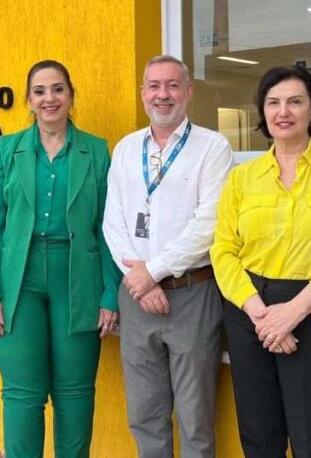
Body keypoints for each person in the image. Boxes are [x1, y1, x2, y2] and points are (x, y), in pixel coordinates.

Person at [211, 65, 311, 458]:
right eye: (273, 103)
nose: (283, 112)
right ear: (263, 112)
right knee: (259, 436)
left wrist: (293, 312)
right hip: (249, 310)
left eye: (295, 102)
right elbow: (223, 250)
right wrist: (261, 314)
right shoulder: (242, 177)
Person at [0, 59, 121, 458]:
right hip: (18, 280)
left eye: (58, 89)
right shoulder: (8, 150)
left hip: (78, 278)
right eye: (39, 91)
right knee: (22, 394)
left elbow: (109, 228)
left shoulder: (96, 151)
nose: (49, 98)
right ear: (28, 100)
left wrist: (110, 294)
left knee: (75, 392)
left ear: (71, 95)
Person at [102, 55, 232, 458]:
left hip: (193, 295)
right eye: (154, 86)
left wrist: (153, 272)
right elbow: (113, 220)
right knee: (144, 414)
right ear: (143, 93)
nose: (163, 94)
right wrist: (141, 282)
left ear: (188, 92)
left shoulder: (212, 147)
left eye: (172, 85)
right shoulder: (126, 148)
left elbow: (209, 223)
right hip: (136, 297)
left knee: (195, 417)